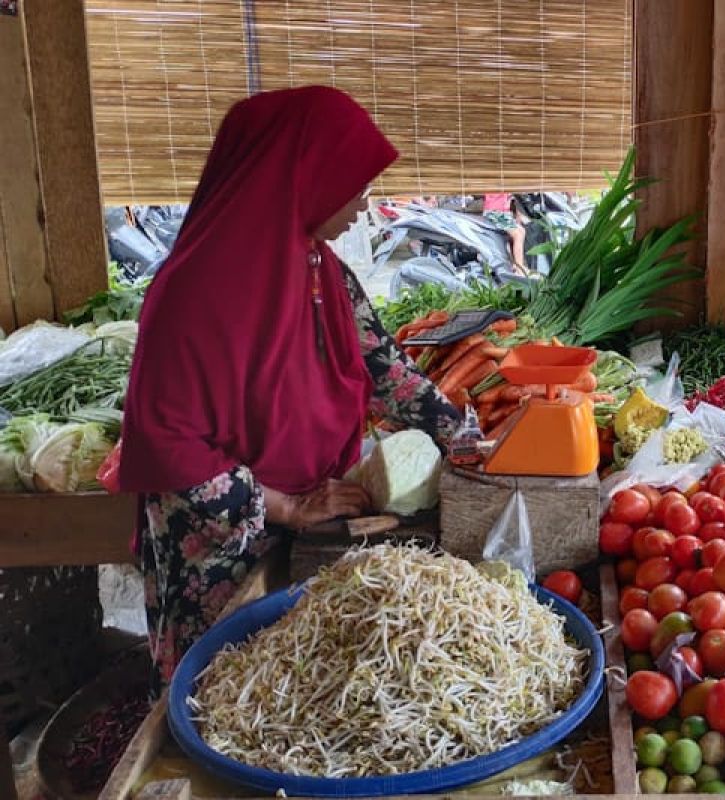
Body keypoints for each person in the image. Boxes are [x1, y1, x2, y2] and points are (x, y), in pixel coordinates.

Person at [119, 87, 462, 686]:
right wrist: (285, 507)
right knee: (228, 692)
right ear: (303, 175)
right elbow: (167, 445)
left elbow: (385, 371)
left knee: (305, 687)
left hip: (313, 521)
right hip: (224, 546)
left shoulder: (321, 266)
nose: (363, 201)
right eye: (353, 181)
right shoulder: (194, 291)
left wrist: (467, 435)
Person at [482, 192, 529, 275]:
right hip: (494, 212)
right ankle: (519, 268)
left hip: (503, 213)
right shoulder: (499, 181)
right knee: (518, 235)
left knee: (521, 231)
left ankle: (516, 264)